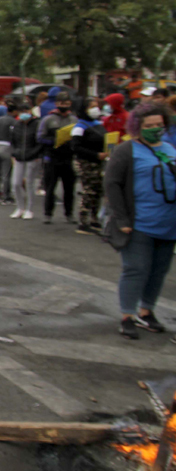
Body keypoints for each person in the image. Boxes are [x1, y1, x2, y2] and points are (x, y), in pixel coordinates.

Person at [105, 103, 176, 339]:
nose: (155, 129)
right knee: (136, 268)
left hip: (168, 223)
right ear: (137, 127)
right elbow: (112, 184)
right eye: (149, 126)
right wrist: (121, 217)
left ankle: (147, 312)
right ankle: (127, 315)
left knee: (158, 271)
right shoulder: (127, 150)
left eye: (159, 125)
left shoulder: (169, 148)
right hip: (138, 223)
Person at [38, 94, 77, 224]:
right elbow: (40, 137)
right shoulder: (48, 119)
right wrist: (54, 141)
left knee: (69, 189)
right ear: (56, 104)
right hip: (52, 157)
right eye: (61, 103)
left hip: (68, 157)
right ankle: (47, 214)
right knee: (50, 188)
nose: (63, 106)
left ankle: (69, 214)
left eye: (66, 103)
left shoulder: (73, 119)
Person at [71, 97, 107, 235]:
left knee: (98, 190)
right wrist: (95, 155)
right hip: (86, 163)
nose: (95, 108)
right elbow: (76, 147)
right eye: (92, 106)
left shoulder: (98, 123)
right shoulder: (79, 127)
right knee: (89, 191)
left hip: (99, 163)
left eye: (96, 105)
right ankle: (83, 221)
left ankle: (94, 219)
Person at [8, 102, 43, 219]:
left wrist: (36, 154)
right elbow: (13, 141)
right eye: (22, 111)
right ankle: (19, 207)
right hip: (19, 157)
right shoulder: (17, 125)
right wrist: (14, 152)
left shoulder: (37, 124)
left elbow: (40, 141)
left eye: (26, 111)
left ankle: (29, 209)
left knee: (29, 183)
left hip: (32, 157)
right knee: (16, 183)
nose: (24, 114)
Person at [0, 100, 20, 204]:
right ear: (15, 112)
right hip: (7, 146)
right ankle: (6, 196)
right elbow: (15, 135)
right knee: (6, 173)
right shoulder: (13, 122)